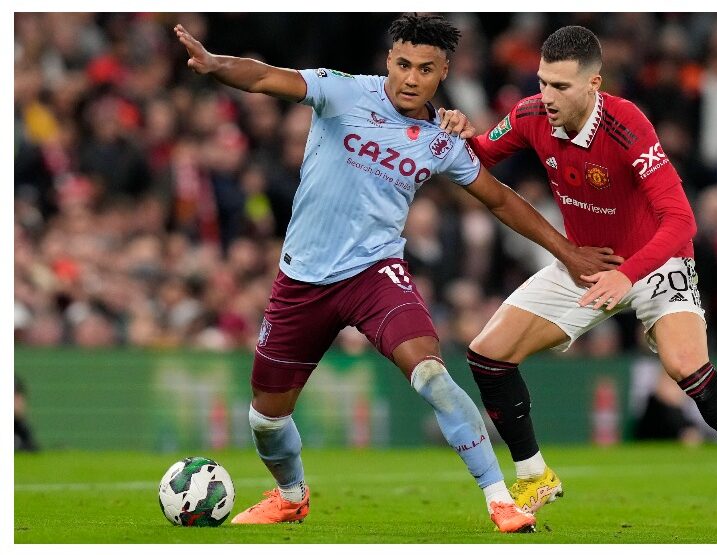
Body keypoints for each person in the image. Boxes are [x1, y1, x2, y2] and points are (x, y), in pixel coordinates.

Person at [174, 14, 621, 533]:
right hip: (302, 280)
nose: (411, 78)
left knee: (433, 376)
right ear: (389, 60)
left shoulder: (442, 140)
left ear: (443, 72)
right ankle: (291, 496)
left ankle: (501, 500)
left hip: (374, 274)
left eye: (425, 69)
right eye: (403, 64)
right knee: (266, 419)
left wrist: (568, 252)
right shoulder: (341, 91)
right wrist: (215, 64)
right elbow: (264, 77)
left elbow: (500, 199)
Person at [458, 26, 717, 540]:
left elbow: (681, 220)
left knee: (687, 366)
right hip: (587, 262)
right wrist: (458, 133)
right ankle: (533, 474)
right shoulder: (528, 115)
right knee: (487, 354)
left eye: (560, 86)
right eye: (542, 82)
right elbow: (476, 155)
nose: (546, 96)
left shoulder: (626, 124)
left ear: (594, 84)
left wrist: (627, 274)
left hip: (656, 262)